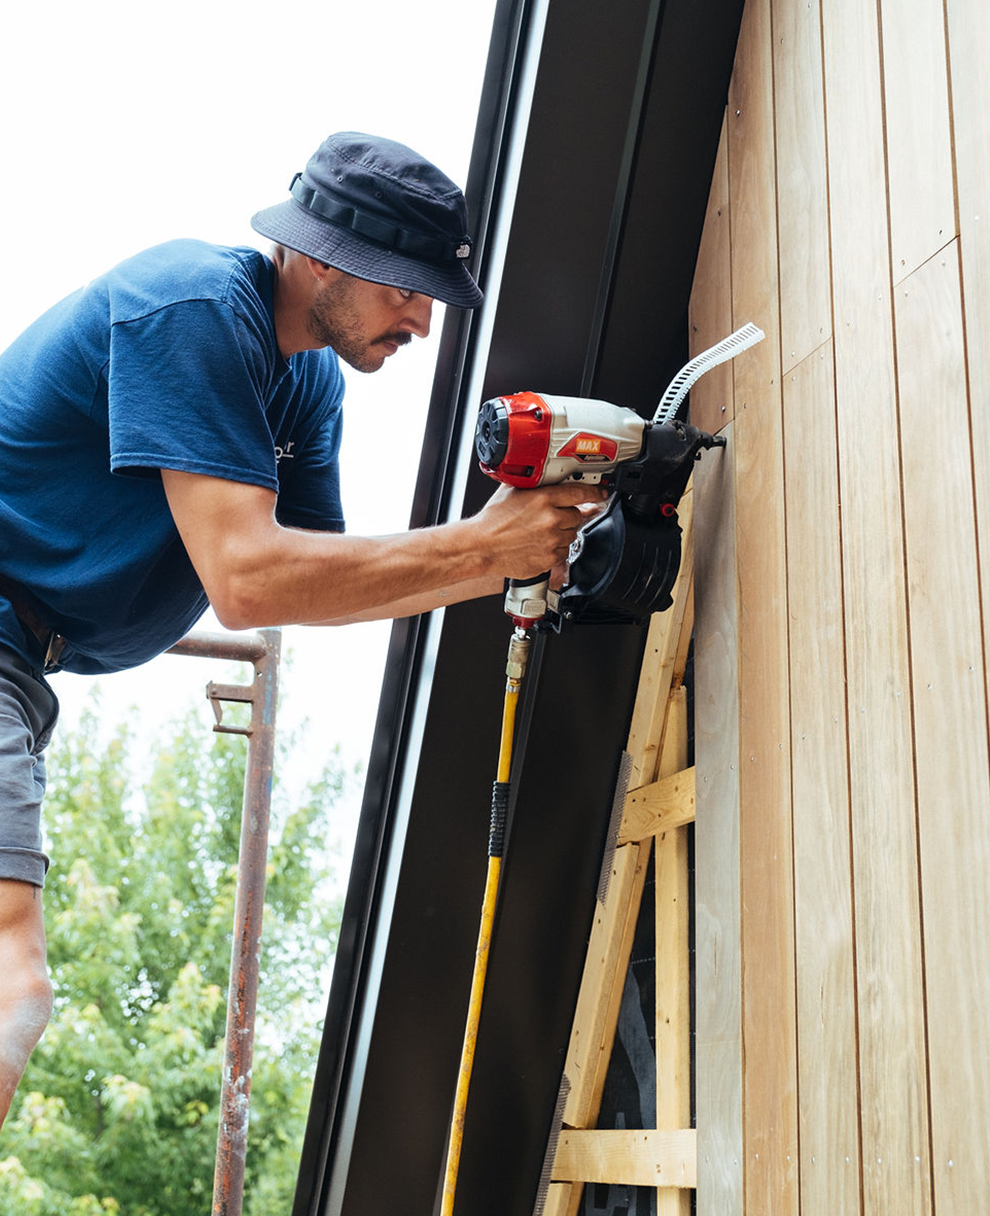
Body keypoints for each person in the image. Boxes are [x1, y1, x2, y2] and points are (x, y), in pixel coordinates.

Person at [0, 130, 597, 1125]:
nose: (421, 314)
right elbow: (248, 578)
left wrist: (506, 555)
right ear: (323, 254)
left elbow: (314, 585)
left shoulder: (306, 382)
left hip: (21, 673)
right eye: (404, 284)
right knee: (12, 983)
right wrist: (487, 547)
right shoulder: (187, 306)